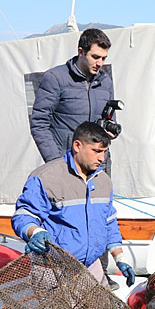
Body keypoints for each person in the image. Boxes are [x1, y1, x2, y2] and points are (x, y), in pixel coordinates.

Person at [29, 28, 117, 287]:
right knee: (65, 222)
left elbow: (108, 121)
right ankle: (63, 277)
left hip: (97, 165)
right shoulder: (55, 78)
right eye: (95, 57)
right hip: (65, 165)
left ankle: (100, 274)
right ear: (81, 52)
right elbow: (39, 123)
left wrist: (110, 130)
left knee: (99, 218)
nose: (100, 64)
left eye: (103, 59)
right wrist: (57, 163)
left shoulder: (105, 80)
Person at [12, 121, 134, 289]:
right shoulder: (45, 177)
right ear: (77, 146)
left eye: (105, 152)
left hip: (92, 267)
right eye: (97, 151)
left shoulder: (104, 181)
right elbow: (24, 215)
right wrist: (34, 232)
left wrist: (120, 258)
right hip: (54, 270)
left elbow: (109, 222)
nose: (102, 158)